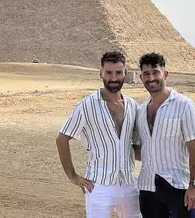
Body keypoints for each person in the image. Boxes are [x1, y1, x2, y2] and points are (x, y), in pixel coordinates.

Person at [56, 51, 142, 217]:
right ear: (101, 72)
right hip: (98, 185)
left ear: (125, 73)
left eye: (118, 72)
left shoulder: (133, 106)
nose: (114, 78)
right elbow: (62, 139)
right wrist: (73, 177)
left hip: (130, 184)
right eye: (108, 72)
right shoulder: (86, 106)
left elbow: (135, 148)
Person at [135, 52, 195, 217]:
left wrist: (194, 186)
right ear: (141, 77)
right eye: (146, 74)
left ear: (165, 74)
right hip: (147, 186)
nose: (151, 78)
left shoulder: (184, 105)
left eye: (155, 72)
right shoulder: (140, 110)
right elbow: (141, 149)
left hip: (177, 186)